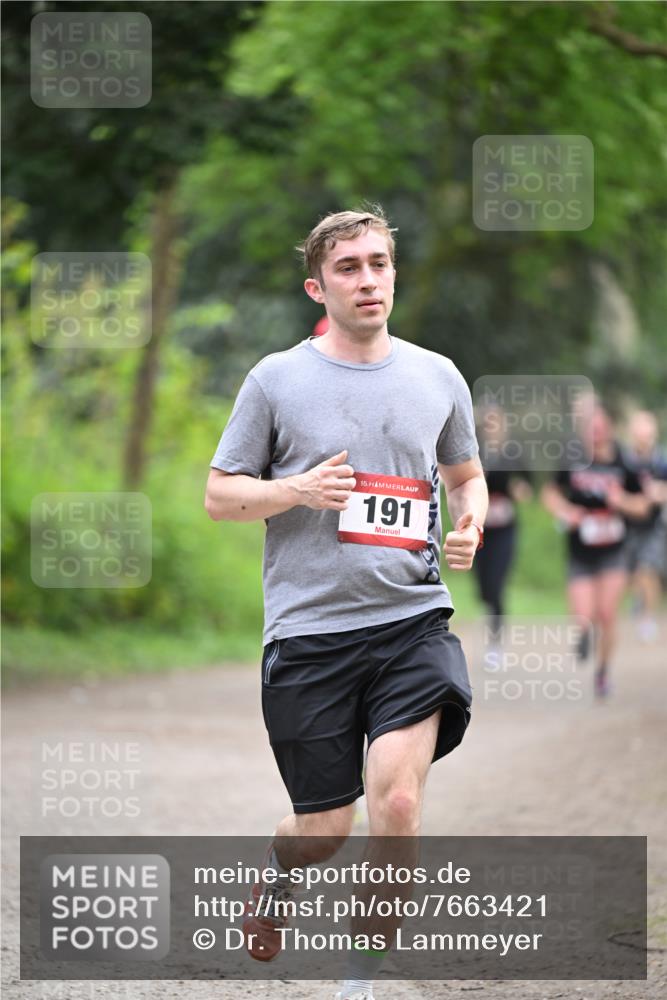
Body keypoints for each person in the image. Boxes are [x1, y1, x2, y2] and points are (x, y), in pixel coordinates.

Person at [204, 207, 488, 1000]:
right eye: (349, 269)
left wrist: (469, 522)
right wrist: (294, 490)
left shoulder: (437, 375)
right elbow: (219, 496)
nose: (368, 280)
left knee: (395, 800)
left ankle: (358, 981)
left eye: (378, 264)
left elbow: (464, 477)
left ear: (393, 271)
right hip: (309, 632)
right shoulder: (275, 380)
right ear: (316, 287)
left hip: (412, 621)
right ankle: (279, 874)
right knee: (324, 831)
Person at [541, 402, 649, 698]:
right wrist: (566, 511)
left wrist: (621, 501)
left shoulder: (624, 460)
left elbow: (642, 506)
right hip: (580, 551)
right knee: (583, 616)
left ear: (609, 427)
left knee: (606, 614)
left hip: (614, 550)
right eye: (590, 427)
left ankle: (602, 672)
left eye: (600, 427)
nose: (596, 432)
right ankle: (584, 635)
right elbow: (550, 493)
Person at [474, 405, 532, 660]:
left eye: (496, 422)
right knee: (484, 588)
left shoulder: (513, 453)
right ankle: (491, 613)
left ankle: (495, 645)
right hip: (480, 529)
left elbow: (528, 486)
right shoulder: (474, 452)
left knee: (496, 585)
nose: (492, 428)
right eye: (488, 423)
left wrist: (521, 489)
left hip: (505, 530)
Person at [623, 410, 667, 642]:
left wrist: (661, 494)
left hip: (655, 526)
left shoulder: (662, 460)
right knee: (629, 575)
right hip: (626, 526)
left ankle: (648, 618)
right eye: (640, 434)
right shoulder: (623, 460)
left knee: (648, 569)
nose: (644, 439)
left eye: (648, 434)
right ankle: (639, 600)